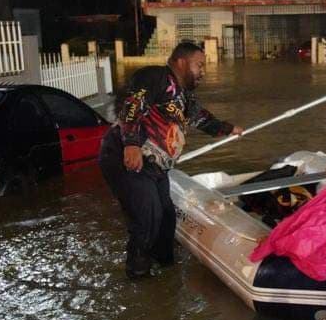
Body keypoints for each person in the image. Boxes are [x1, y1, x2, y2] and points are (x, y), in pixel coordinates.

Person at [100, 43, 243, 280]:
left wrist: (229, 129)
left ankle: (166, 272)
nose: (203, 71)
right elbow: (133, 104)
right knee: (148, 217)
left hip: (155, 166)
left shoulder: (184, 97)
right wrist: (132, 143)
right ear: (181, 62)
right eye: (199, 65)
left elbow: (202, 119)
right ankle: (138, 277)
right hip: (126, 155)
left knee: (166, 218)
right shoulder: (156, 77)